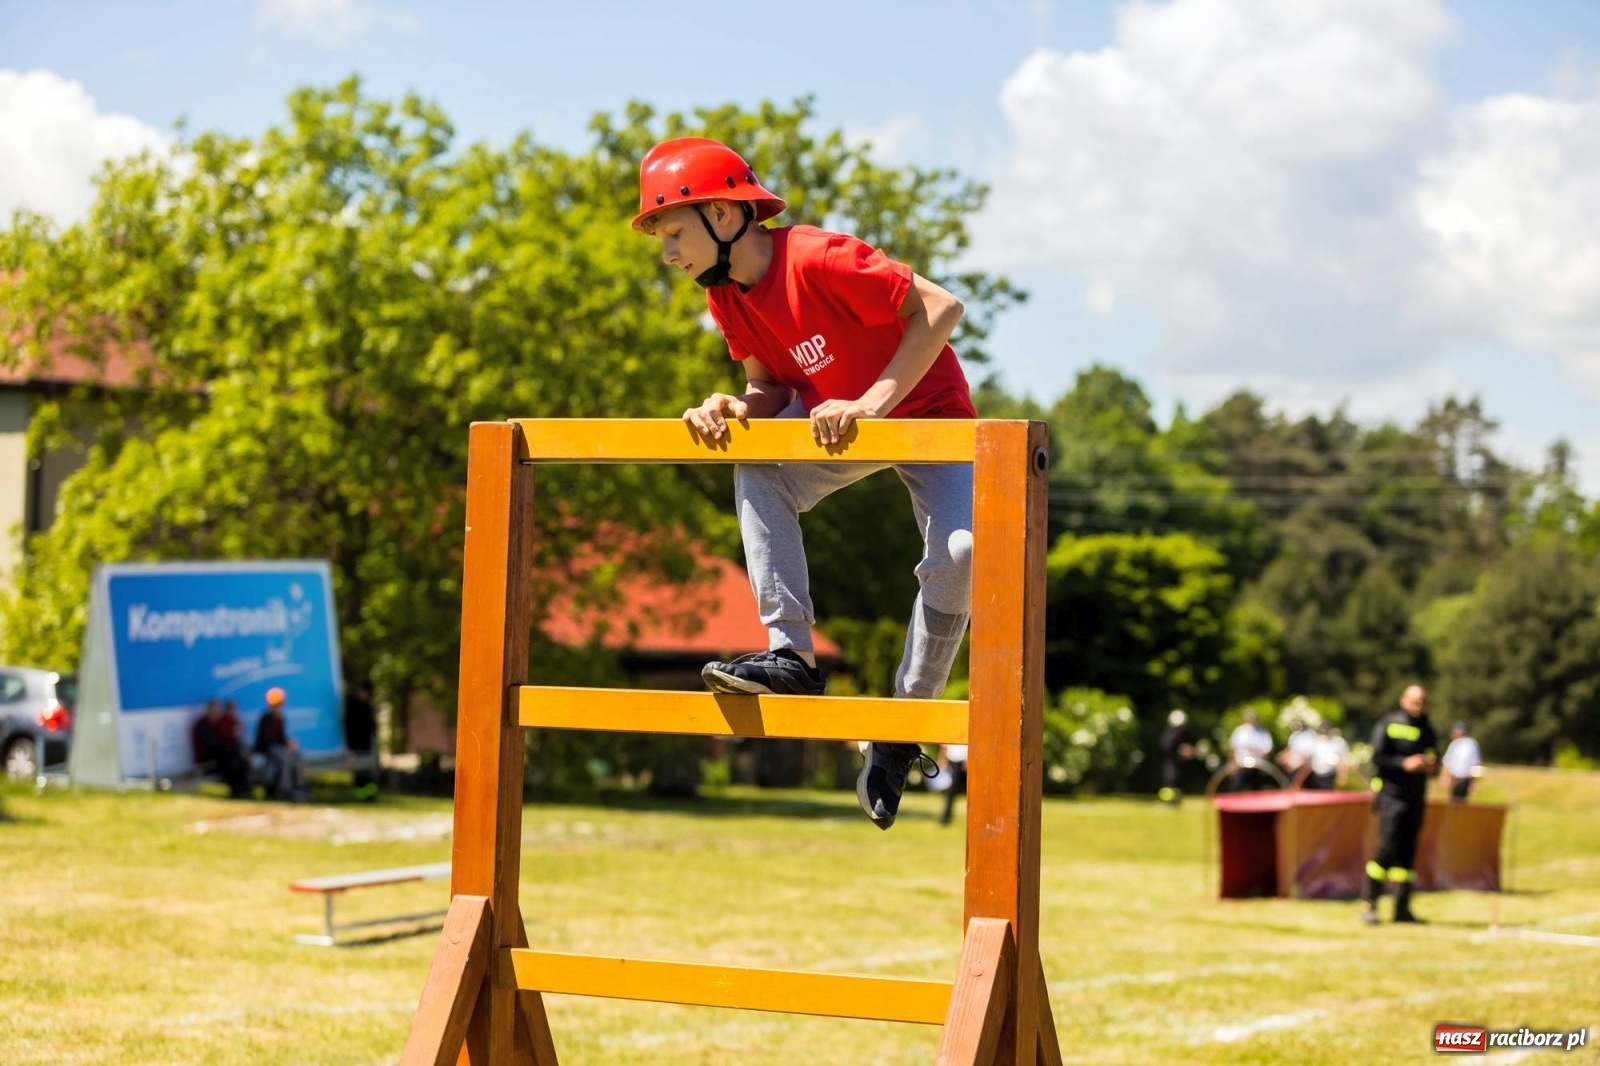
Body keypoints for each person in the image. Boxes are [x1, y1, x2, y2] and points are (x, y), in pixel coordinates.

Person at [634, 137, 971, 830]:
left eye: (673, 232)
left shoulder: (819, 256)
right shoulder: (726, 297)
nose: (668, 252)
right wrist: (734, 406)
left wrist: (872, 404)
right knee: (751, 458)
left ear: (726, 216)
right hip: (835, 427)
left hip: (927, 417)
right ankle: (790, 654)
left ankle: (903, 728)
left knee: (963, 557)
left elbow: (940, 308)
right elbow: (769, 384)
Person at [1362, 684, 1439, 924]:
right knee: (1387, 849)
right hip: (1391, 797)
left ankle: (1402, 908)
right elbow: (1377, 757)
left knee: (1407, 855)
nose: (1419, 705)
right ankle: (1370, 904)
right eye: (1414, 700)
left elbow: (1437, 759)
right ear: (1403, 700)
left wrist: (1430, 764)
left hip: (1416, 798)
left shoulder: (1429, 729)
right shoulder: (1389, 724)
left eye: (1423, 701)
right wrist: (1404, 764)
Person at [253, 686, 305, 801]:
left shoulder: (281, 719)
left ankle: (299, 787)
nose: (278, 707)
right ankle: (284, 789)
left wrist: (289, 743)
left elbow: (281, 737)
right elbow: (265, 740)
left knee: (297, 754)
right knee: (283, 756)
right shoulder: (265, 718)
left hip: (277, 748)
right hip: (267, 749)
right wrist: (281, 746)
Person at [191, 698, 250, 798]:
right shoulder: (202, 725)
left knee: (240, 758)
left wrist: (238, 749)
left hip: (221, 755)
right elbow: (214, 746)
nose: (216, 714)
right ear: (208, 711)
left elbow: (228, 740)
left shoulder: (219, 723)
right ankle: (235, 790)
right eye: (213, 712)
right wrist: (234, 749)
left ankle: (244, 789)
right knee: (229, 760)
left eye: (217, 712)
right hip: (207, 759)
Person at [344, 682, 378, 801]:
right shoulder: (353, 705)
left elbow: (372, 727)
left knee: (367, 771)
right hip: (357, 744)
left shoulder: (366, 706)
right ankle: (362, 794)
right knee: (360, 771)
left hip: (366, 744)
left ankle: (369, 794)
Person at [1227, 712, 1274, 791]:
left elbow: (1267, 750)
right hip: (1241, 764)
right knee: (1236, 786)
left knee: (1256, 788)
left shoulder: (1263, 733)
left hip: (1258, 766)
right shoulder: (1239, 731)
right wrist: (1232, 763)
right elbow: (1233, 749)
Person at [1159, 710, 1194, 805]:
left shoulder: (1178, 734)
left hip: (1177, 764)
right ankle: (1170, 802)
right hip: (1172, 765)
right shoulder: (1171, 734)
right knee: (1171, 783)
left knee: (1177, 784)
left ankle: (1175, 801)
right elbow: (1168, 748)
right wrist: (1181, 752)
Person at [1441, 721, 1481, 802]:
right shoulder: (1454, 744)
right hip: (1454, 778)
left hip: (1465, 778)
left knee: (1461, 801)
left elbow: (1475, 763)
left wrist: (1473, 781)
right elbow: (1448, 762)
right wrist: (1445, 777)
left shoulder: (1471, 744)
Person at [1305, 724, 1349, 791]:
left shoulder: (1337, 742)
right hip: (1315, 774)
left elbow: (1343, 761)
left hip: (1330, 774)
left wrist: (1342, 776)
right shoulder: (1315, 742)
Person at [937, 744, 968, 826]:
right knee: (951, 792)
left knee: (968, 791)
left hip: (964, 760)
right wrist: (943, 758)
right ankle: (945, 818)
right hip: (954, 761)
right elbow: (945, 745)